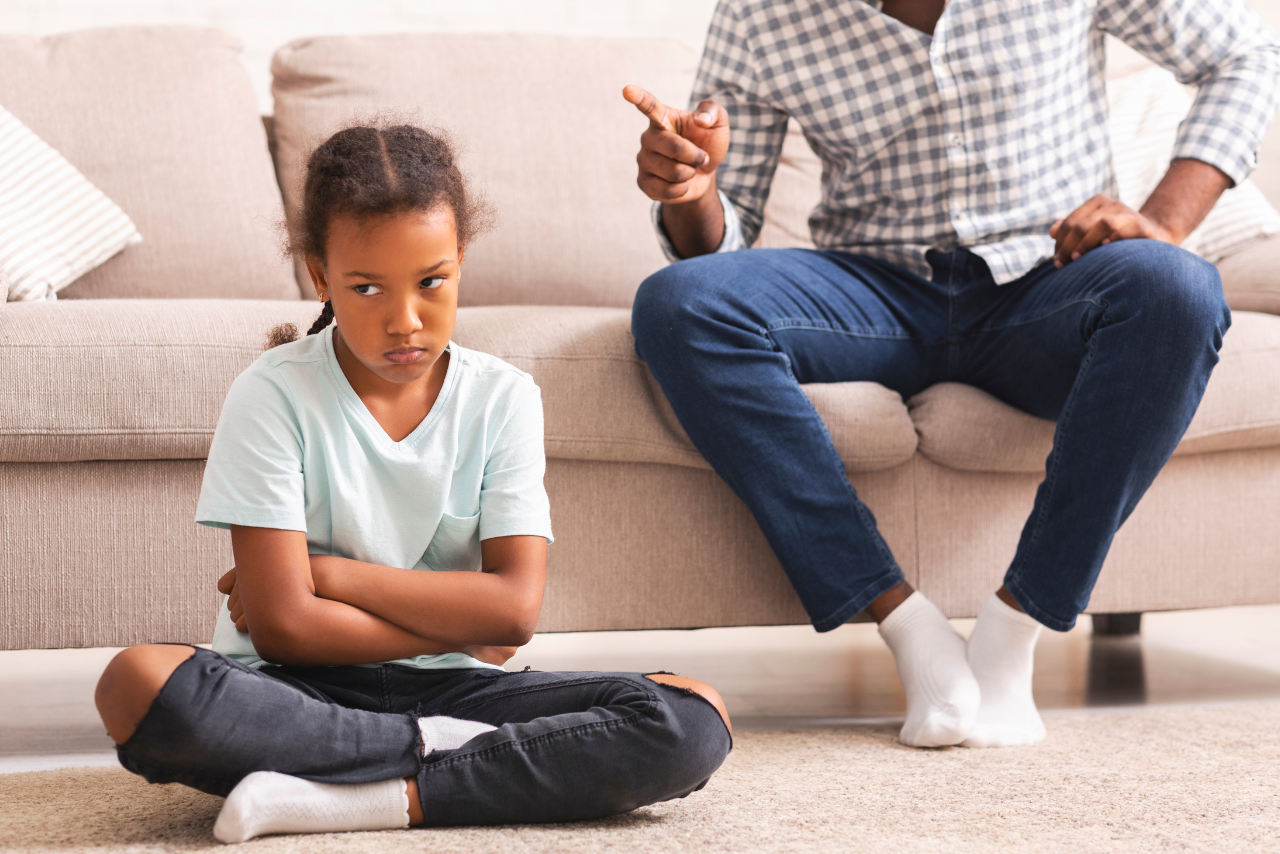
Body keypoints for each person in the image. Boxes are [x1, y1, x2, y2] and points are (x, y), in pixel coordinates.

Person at [624, 0, 1280, 748]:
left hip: (1048, 289)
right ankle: (906, 624)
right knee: (680, 304)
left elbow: (1245, 56)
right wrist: (693, 189)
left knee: (1178, 288)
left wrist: (1163, 220)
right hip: (872, 294)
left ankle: (1015, 628)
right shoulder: (762, 12)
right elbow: (718, 237)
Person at [93, 124, 731, 842]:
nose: (405, 322)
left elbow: (513, 615)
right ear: (319, 275)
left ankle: (363, 797)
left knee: (690, 712)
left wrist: (326, 574)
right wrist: (457, 617)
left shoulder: (505, 397)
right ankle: (451, 763)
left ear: (461, 261)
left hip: (457, 689)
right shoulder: (271, 393)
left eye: (433, 282)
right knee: (137, 681)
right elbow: (284, 627)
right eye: (366, 288)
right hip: (294, 691)